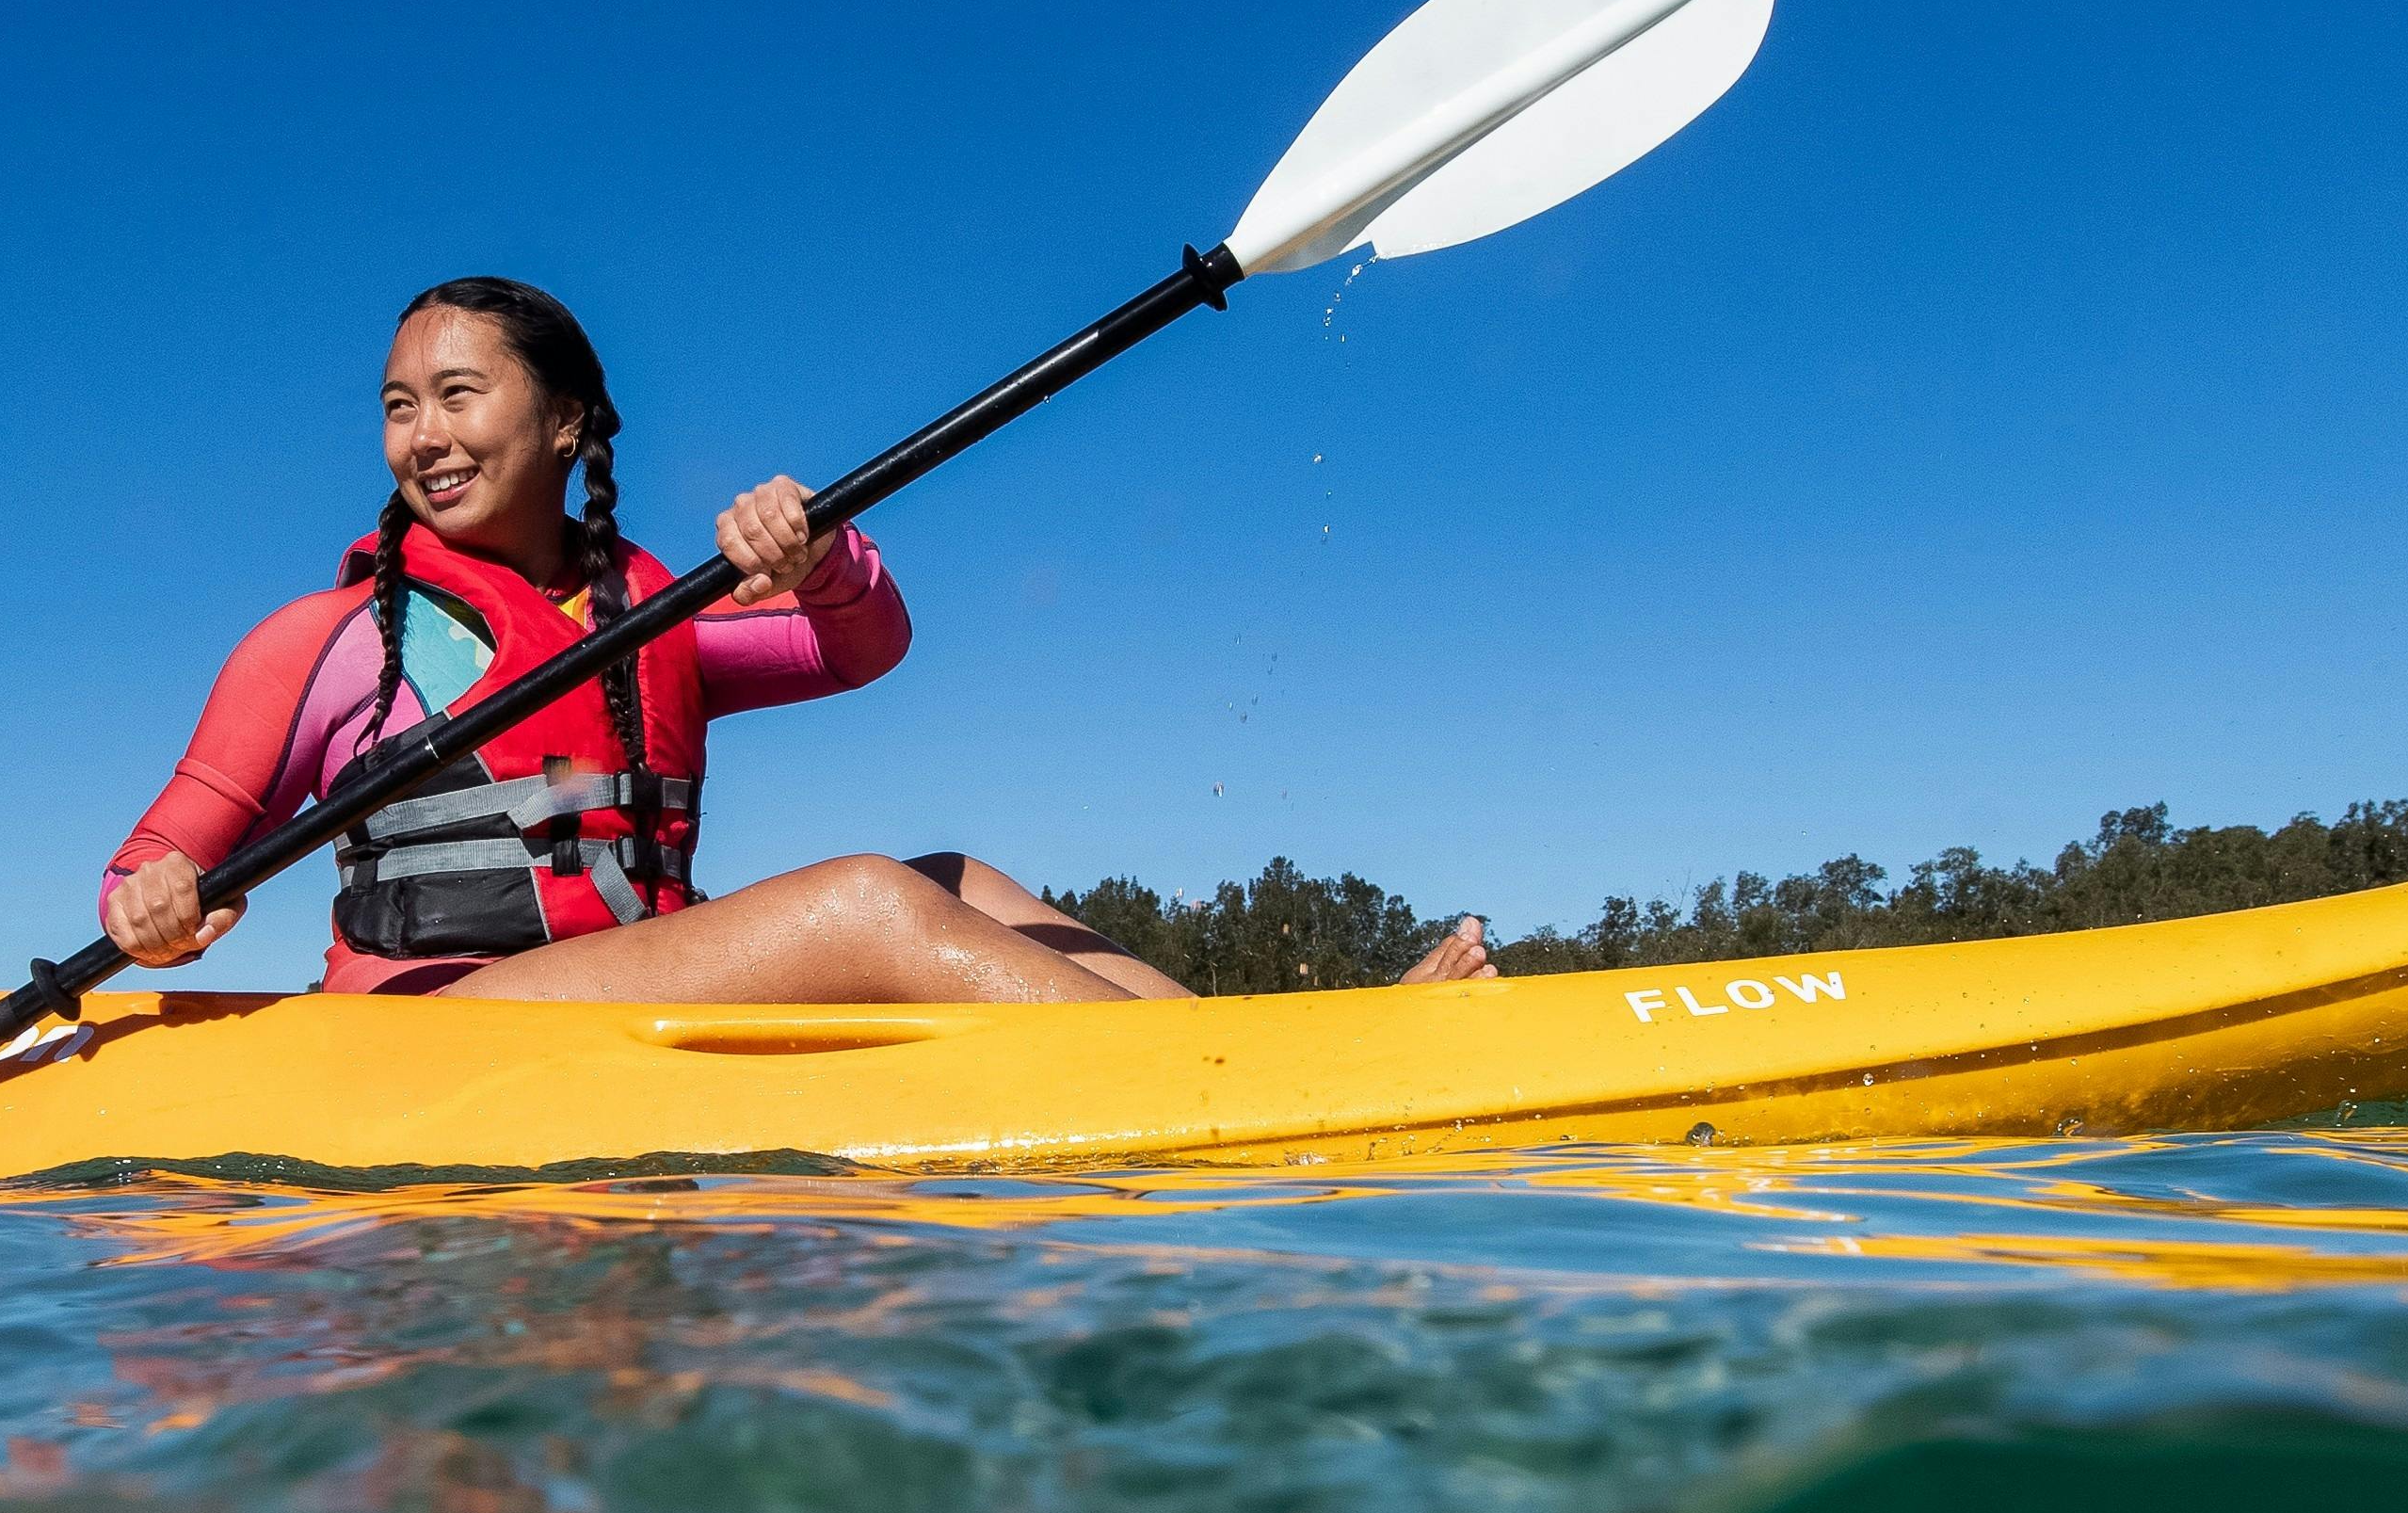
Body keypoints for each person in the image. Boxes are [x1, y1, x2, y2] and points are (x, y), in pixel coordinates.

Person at [101, 276, 1495, 1002]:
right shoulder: (335, 640)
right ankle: (1253, 1090)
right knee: (868, 903)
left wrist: (822, 559)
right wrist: (157, 906)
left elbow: (858, 646)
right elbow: (161, 854)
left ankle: (1248, 1050)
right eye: (400, 405)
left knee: (954, 873)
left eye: (458, 396)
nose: (424, 435)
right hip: (434, 1018)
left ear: (569, 420)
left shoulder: (643, 610)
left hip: (623, 993)